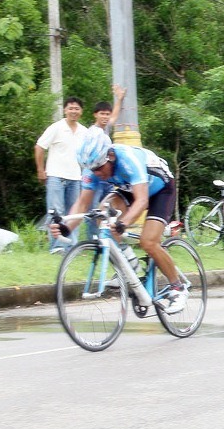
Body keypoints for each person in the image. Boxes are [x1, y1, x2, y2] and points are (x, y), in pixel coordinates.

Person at [49, 130, 187, 314]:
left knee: (148, 242)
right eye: (93, 170)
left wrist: (124, 223)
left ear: (111, 156)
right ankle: (131, 265)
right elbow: (82, 203)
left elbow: (142, 201)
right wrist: (66, 228)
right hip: (130, 189)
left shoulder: (128, 159)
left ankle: (178, 288)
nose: (97, 173)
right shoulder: (93, 168)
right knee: (102, 216)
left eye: (99, 168)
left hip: (160, 189)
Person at [35, 97, 88, 253]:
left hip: (76, 178)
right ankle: (57, 246)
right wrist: (40, 170)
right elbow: (39, 147)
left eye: (77, 108)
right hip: (55, 176)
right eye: (70, 108)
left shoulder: (84, 132)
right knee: (55, 212)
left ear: (81, 111)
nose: (73, 111)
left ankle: (72, 246)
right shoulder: (56, 127)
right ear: (65, 110)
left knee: (74, 214)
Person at [86, 85, 127, 238]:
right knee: (93, 209)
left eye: (107, 114)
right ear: (95, 115)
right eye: (102, 114)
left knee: (110, 208)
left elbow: (114, 116)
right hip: (96, 174)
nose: (105, 117)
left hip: (108, 176)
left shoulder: (106, 128)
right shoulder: (91, 132)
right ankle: (93, 239)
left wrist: (119, 98)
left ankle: (110, 238)